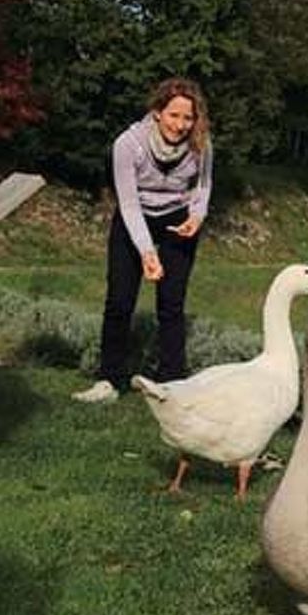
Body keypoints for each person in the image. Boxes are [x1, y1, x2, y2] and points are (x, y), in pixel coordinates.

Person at [73, 76, 213, 404]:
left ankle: (171, 382)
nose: (180, 125)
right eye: (174, 115)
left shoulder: (202, 144)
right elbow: (129, 203)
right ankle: (109, 380)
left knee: (171, 304)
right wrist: (148, 252)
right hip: (134, 218)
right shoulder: (127, 144)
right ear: (157, 112)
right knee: (119, 301)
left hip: (178, 220)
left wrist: (196, 217)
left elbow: (203, 186)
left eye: (188, 117)